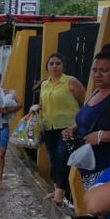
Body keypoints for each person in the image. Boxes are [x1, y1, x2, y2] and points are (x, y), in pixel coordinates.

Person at [62, 47, 110, 190]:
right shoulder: (97, 92)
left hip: (109, 169)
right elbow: (89, 121)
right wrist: (74, 129)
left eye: (104, 71)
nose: (98, 74)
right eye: (94, 70)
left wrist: (101, 136)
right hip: (89, 169)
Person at [36, 53, 86, 204]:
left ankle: (59, 195)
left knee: (62, 157)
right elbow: (43, 105)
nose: (54, 66)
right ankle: (57, 189)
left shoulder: (70, 82)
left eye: (58, 63)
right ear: (47, 67)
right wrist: (36, 112)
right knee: (53, 160)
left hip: (68, 128)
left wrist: (79, 125)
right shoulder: (44, 84)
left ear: (63, 66)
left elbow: (85, 102)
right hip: (49, 127)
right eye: (51, 64)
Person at [0, 71, 22, 184]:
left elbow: (20, 104)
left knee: (1, 152)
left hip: (3, 126)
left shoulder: (6, 92)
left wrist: (7, 110)